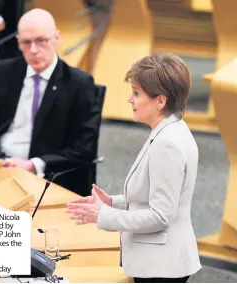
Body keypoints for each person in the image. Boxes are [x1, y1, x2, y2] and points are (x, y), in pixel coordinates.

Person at [66, 53, 202, 282]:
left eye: (137, 93)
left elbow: (160, 216)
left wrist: (104, 214)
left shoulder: (167, 144)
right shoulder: (171, 129)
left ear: (160, 101)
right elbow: (158, 196)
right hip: (163, 260)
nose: (130, 100)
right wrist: (113, 201)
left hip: (161, 266)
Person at [0, 8, 100, 196]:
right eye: (26, 43)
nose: (34, 50)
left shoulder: (79, 84)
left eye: (41, 41)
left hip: (43, 177)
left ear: (57, 38)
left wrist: (33, 165)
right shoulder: (3, 72)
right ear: (18, 42)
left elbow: (84, 150)